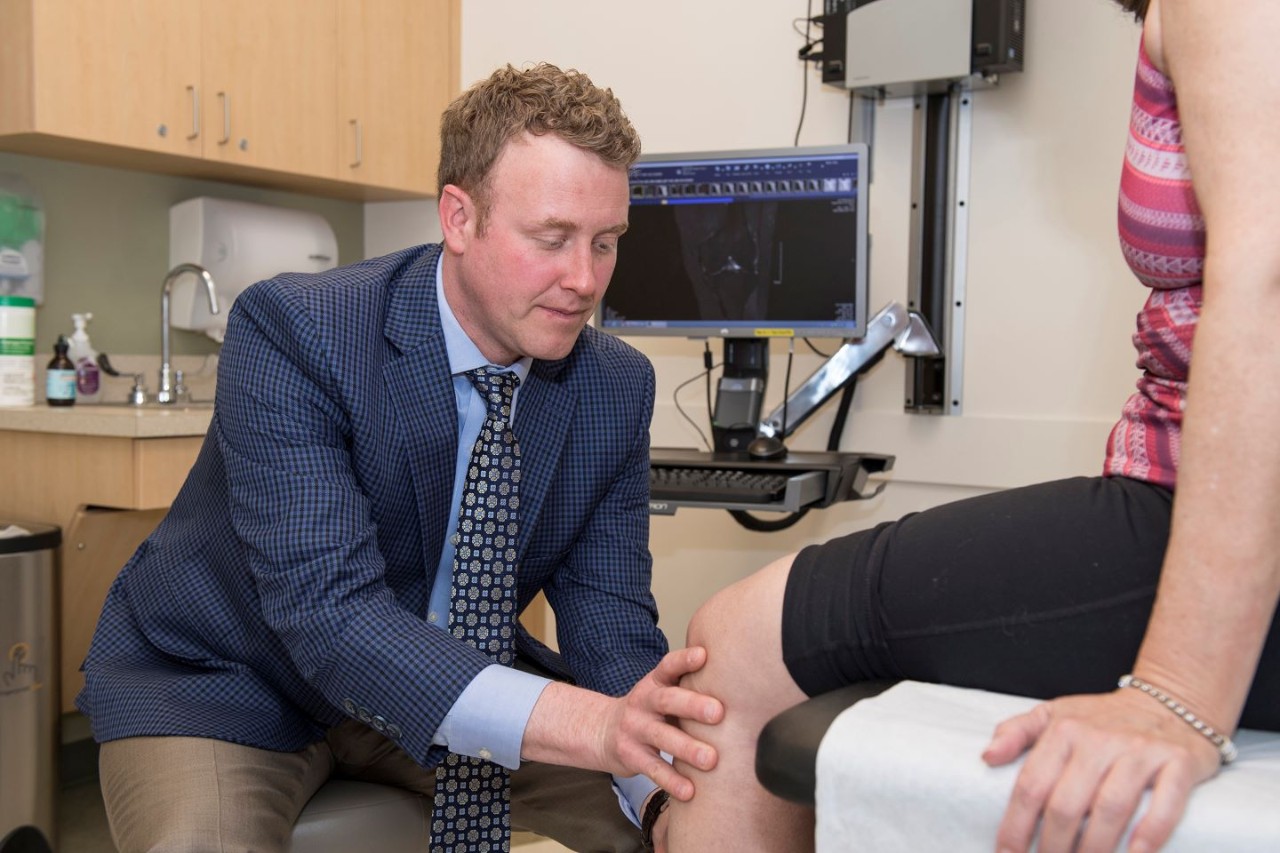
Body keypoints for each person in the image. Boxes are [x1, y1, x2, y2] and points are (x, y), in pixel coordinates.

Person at [662, 1, 1280, 851]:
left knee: (729, 646)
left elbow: (1267, 277)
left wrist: (1177, 694)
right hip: (1182, 493)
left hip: (1210, 511)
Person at [77, 63, 722, 853]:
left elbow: (611, 626)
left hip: (438, 677)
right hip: (230, 682)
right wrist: (595, 724)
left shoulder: (614, 385)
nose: (584, 279)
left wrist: (657, 787)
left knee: (680, 822)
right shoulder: (297, 330)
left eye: (606, 242)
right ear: (459, 216)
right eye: (551, 239)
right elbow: (330, 615)